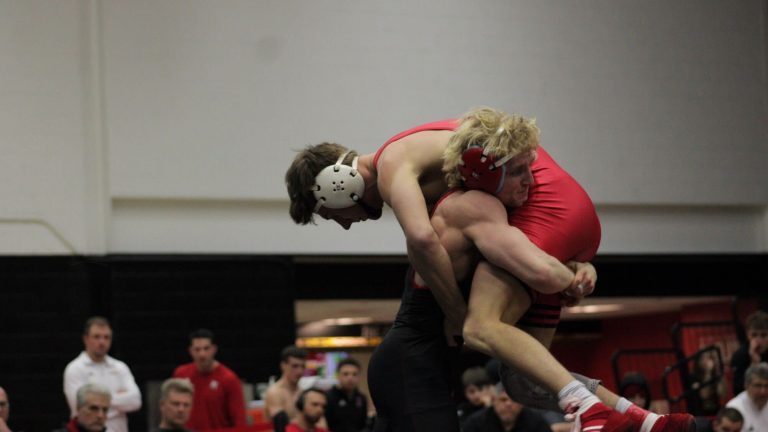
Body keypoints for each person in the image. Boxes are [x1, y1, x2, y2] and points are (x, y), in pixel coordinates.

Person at [288, 107, 693, 431]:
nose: (344, 224)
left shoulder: (403, 170)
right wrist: (573, 270)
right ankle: (639, 420)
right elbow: (533, 269)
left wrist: (458, 313)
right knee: (523, 377)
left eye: (330, 213)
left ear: (337, 185)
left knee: (482, 329)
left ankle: (597, 409)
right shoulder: (462, 200)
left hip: (412, 358)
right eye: (519, 172)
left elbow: (423, 240)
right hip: (411, 360)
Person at [63, 317, 141, 432]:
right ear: (86, 339)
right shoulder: (75, 368)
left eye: (106, 337)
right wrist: (120, 402)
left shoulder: (120, 367)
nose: (102, 342)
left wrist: (95, 400)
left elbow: (135, 401)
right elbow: (78, 406)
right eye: (97, 337)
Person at [172, 328, 246, 430]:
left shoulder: (229, 379)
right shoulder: (181, 374)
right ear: (190, 351)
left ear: (214, 349)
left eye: (206, 348)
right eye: (197, 349)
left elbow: (239, 422)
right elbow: (171, 412)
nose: (202, 354)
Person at [462, 383, 552, 432]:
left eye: (514, 400)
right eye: (503, 400)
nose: (509, 404)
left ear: (522, 403)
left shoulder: (535, 422)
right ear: (494, 401)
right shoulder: (475, 423)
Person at [264, 345, 308, 432]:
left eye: (303, 366)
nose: (300, 371)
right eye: (295, 366)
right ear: (283, 365)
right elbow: (281, 425)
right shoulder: (275, 392)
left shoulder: (302, 392)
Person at [324, 358, 370, 432]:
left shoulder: (361, 398)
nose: (350, 378)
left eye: (354, 374)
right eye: (346, 374)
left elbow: (363, 424)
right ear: (338, 376)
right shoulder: (328, 397)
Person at [731, 311, 768, 395]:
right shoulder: (739, 356)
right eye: (754, 335)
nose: (759, 340)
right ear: (747, 335)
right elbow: (739, 390)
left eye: (764, 335)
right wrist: (754, 364)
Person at [725, 362, 768, 432]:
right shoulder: (735, 408)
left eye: (767, 386)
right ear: (746, 386)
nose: (763, 391)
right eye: (758, 386)